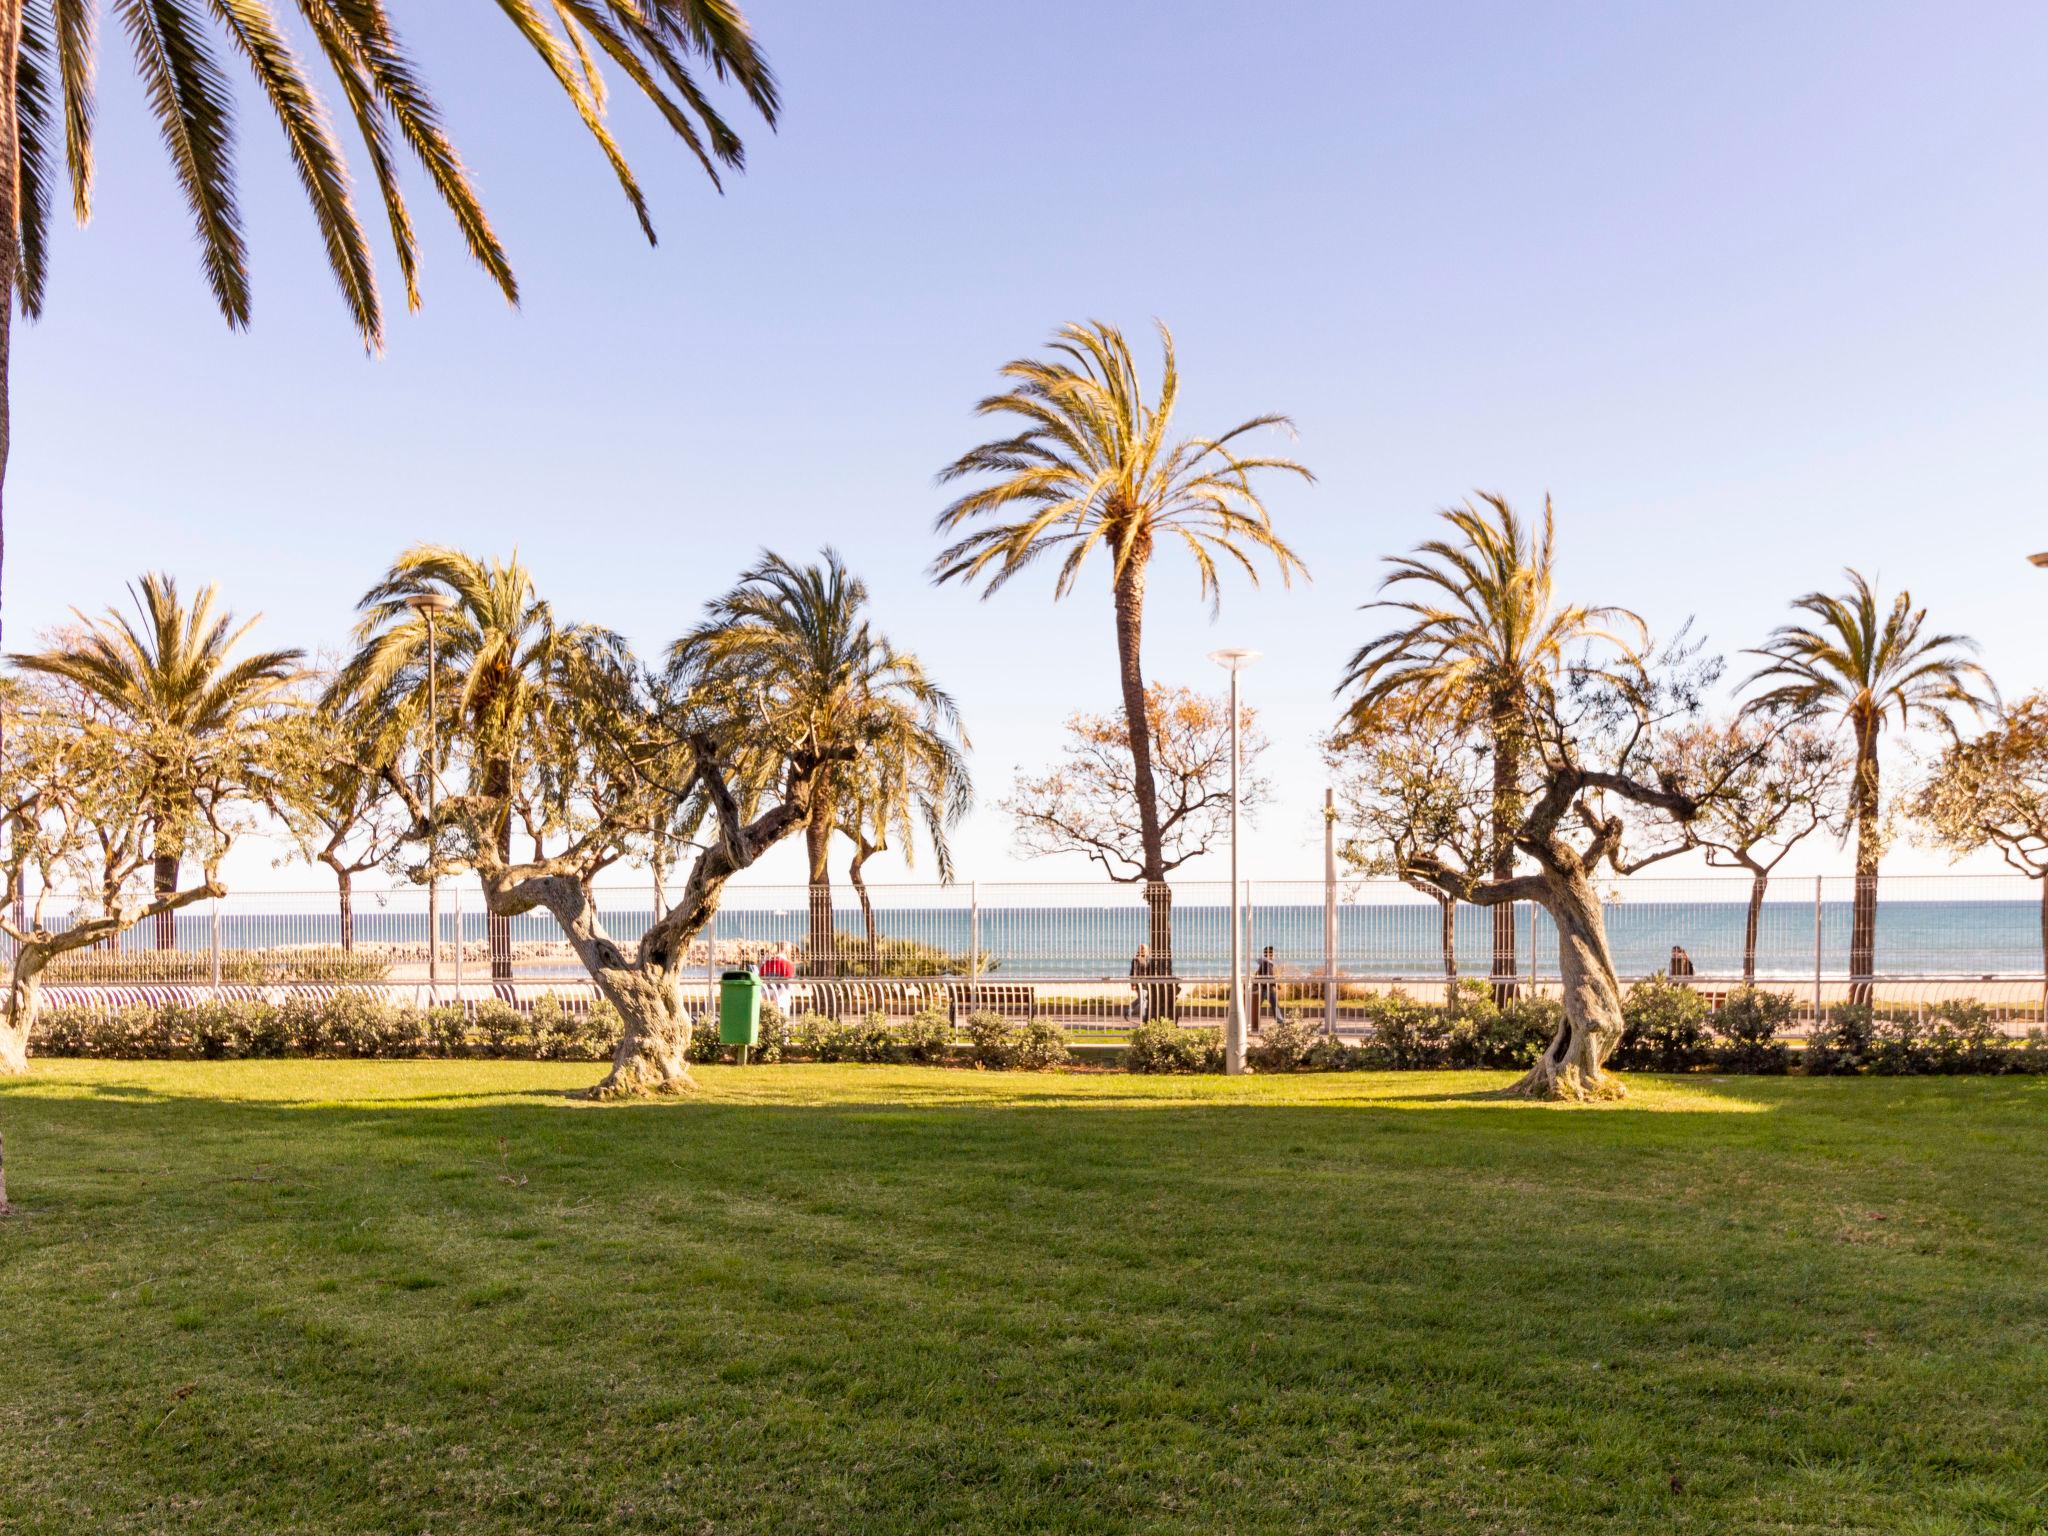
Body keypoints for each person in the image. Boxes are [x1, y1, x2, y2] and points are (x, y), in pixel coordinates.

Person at [760, 947, 795, 1013]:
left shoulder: (766, 964)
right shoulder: (787, 964)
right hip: (781, 999)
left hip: (766, 996)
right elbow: (789, 981)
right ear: (786, 952)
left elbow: (761, 979)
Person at [1254, 945, 1280, 1023]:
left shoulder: (1265, 962)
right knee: (1257, 1006)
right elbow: (1269, 976)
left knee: (1275, 1005)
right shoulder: (1267, 963)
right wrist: (1276, 984)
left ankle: (1280, 1022)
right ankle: (1251, 1021)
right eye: (1273, 953)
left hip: (1267, 987)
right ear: (1270, 954)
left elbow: (1260, 974)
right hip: (1265, 987)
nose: (1274, 955)